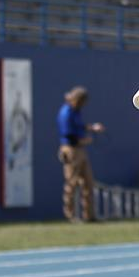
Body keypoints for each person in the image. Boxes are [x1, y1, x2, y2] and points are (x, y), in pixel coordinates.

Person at [56, 85, 102, 221]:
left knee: (88, 182)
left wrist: (92, 128)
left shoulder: (76, 111)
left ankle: (89, 215)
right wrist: (84, 141)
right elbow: (69, 135)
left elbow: (79, 126)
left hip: (80, 150)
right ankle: (70, 215)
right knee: (71, 183)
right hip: (71, 150)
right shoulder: (66, 112)